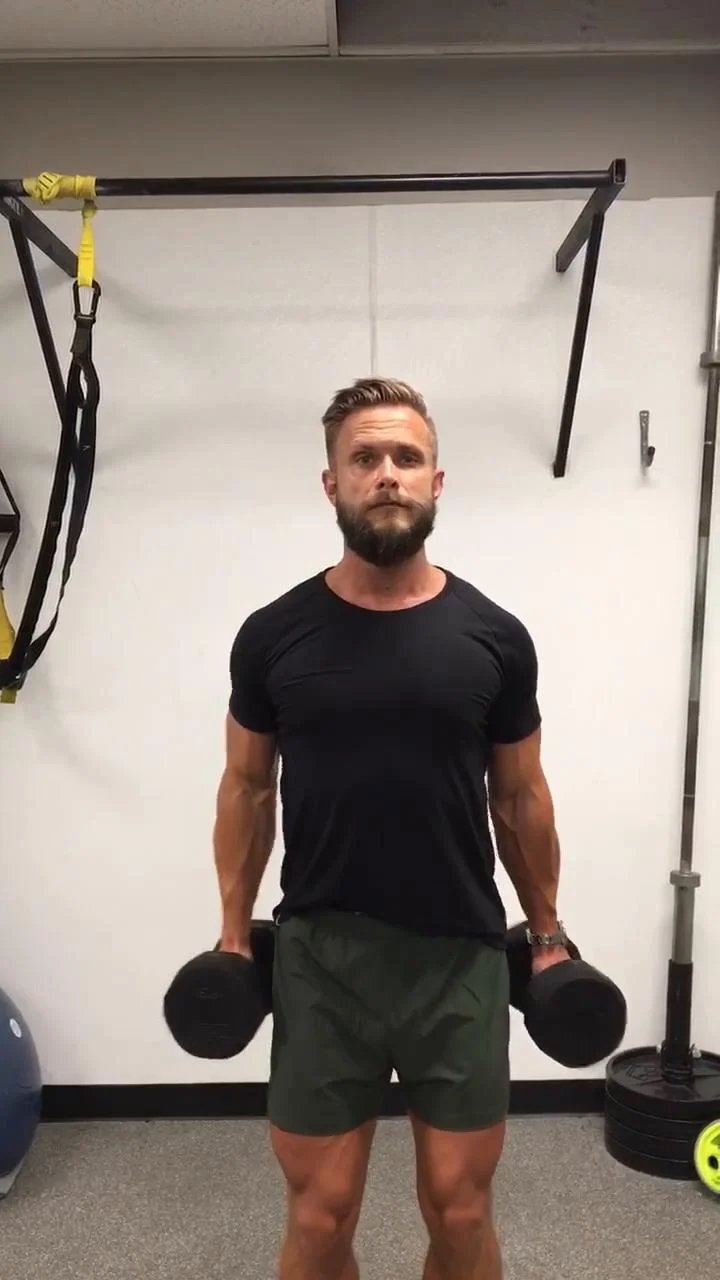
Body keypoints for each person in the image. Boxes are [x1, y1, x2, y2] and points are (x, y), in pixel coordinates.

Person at [213, 378, 570, 1280]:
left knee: (460, 1211)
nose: (386, 475)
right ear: (329, 484)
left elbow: (521, 798)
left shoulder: (494, 638)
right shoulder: (273, 636)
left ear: (437, 481)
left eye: (405, 458)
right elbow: (247, 790)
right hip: (321, 958)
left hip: (460, 958)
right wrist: (230, 937)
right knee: (322, 1217)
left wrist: (550, 937)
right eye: (363, 458)